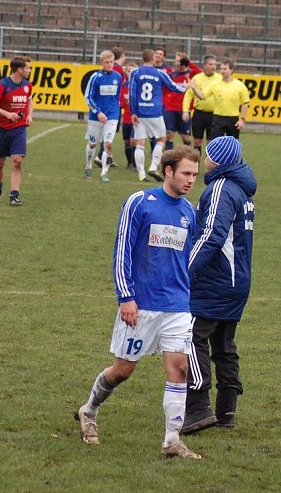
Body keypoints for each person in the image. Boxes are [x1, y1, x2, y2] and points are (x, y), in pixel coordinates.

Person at [75, 146, 203, 460]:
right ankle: (89, 410)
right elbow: (123, 252)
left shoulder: (189, 212)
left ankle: (172, 440)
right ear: (169, 171)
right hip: (141, 305)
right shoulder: (140, 202)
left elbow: (186, 258)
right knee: (123, 370)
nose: (190, 180)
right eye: (186, 173)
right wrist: (126, 297)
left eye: (195, 175)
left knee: (180, 369)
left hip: (177, 305)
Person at [181, 136, 257, 435]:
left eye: (207, 154)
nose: (203, 159)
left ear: (218, 160)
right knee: (224, 346)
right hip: (238, 280)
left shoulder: (221, 189)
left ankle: (199, 405)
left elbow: (212, 235)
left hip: (216, 281)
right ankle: (227, 410)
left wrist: (184, 270)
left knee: (190, 337)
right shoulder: (242, 190)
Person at [128, 49, 201, 183]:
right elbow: (174, 87)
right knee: (161, 139)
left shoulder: (135, 72)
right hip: (155, 112)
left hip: (139, 113)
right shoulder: (160, 73)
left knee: (139, 143)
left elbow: (132, 93)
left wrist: (133, 112)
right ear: (152, 59)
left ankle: (141, 174)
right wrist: (187, 86)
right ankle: (153, 167)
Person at [0, 56, 33, 206]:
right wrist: (7, 114)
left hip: (18, 129)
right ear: (19, 70)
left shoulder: (27, 86)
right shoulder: (2, 85)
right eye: (28, 68)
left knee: (17, 161)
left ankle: (14, 195)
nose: (30, 71)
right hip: (1, 129)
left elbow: (29, 100)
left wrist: (30, 115)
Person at [83, 50, 122, 182]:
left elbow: (117, 97)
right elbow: (88, 97)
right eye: (107, 62)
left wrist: (116, 111)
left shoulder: (118, 76)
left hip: (112, 116)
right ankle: (88, 165)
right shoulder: (95, 77)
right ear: (102, 63)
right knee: (92, 144)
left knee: (108, 144)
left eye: (112, 62)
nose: (110, 64)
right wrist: (98, 112)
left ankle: (104, 173)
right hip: (96, 117)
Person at [201, 60, 250, 140]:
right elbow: (202, 96)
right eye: (221, 69)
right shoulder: (215, 84)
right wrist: (194, 88)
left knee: (232, 146)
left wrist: (242, 120)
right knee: (215, 144)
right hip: (218, 118)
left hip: (233, 120)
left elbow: (245, 103)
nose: (222, 71)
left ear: (231, 70)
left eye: (225, 69)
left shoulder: (240, 86)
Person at [183, 55, 222, 154]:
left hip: (214, 115)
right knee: (197, 141)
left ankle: (209, 166)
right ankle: (196, 164)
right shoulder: (197, 78)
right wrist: (185, 110)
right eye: (211, 64)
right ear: (205, 66)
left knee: (211, 142)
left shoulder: (220, 79)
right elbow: (188, 95)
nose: (213, 66)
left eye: (214, 64)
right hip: (199, 114)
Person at [164, 52, 201, 150]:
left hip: (184, 109)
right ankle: (169, 157)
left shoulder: (191, 74)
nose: (177, 62)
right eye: (176, 60)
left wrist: (188, 63)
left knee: (186, 137)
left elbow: (199, 72)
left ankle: (187, 157)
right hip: (170, 109)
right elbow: (165, 90)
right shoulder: (171, 75)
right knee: (169, 134)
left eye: (179, 60)